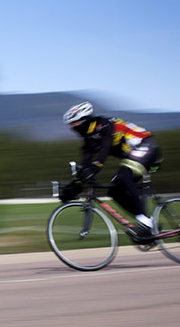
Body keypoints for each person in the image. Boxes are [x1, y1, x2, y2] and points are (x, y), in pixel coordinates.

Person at [59, 101, 163, 242]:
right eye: (71, 125)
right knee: (114, 190)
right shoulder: (87, 139)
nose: (73, 128)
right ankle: (149, 223)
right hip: (134, 154)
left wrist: (97, 165)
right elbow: (86, 162)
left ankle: (146, 224)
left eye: (75, 124)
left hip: (147, 146)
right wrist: (76, 185)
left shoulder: (105, 124)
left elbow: (105, 147)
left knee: (123, 177)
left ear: (84, 120)